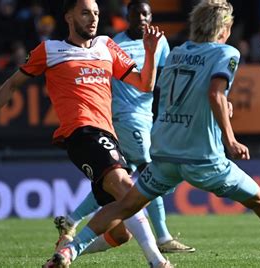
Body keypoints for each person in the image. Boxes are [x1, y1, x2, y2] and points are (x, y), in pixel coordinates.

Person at [49, 0, 260, 266]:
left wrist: (220, 103)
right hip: (202, 157)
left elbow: (174, 94)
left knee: (125, 204)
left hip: (165, 152)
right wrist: (229, 138)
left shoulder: (179, 52)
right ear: (225, 28)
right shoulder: (227, 52)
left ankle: (70, 250)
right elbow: (214, 93)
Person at [0, 0, 171, 267]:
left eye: (97, 14)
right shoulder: (50, 50)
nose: (93, 19)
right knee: (128, 190)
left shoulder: (106, 46)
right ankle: (157, 262)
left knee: (120, 232)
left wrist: (150, 52)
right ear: (68, 16)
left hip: (107, 135)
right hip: (81, 132)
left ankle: (65, 250)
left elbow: (145, 85)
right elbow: (11, 85)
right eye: (85, 13)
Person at [53, 0, 195, 255]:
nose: (141, 18)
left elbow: (163, 76)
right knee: (150, 172)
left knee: (118, 180)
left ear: (151, 17)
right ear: (127, 16)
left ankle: (72, 221)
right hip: (124, 117)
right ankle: (162, 237)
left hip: (145, 117)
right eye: (136, 13)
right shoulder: (112, 44)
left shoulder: (158, 42)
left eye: (146, 14)